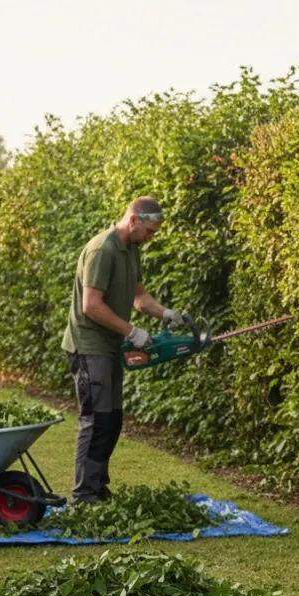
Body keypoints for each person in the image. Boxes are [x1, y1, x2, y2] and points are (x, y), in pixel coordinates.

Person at [60, 196, 183, 504]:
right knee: (96, 418)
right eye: (150, 231)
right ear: (133, 221)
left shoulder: (131, 249)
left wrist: (165, 313)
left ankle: (97, 489)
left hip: (109, 346)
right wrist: (131, 331)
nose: (152, 238)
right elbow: (91, 306)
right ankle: (83, 496)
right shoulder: (103, 250)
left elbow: (139, 298)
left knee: (113, 419)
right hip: (88, 345)